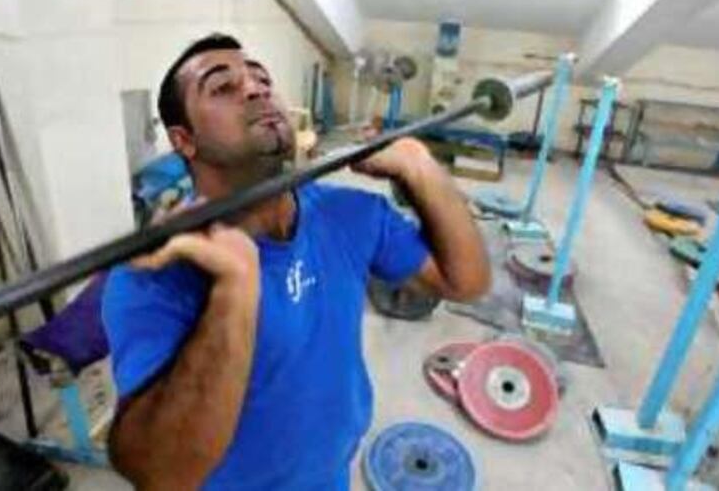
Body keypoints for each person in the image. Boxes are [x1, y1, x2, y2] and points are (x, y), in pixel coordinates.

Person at [101, 33, 491, 490]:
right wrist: (235, 288)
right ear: (183, 139)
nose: (256, 88)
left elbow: (465, 282)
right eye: (223, 87)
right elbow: (161, 473)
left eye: (261, 79)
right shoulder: (154, 274)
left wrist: (420, 168)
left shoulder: (350, 214)